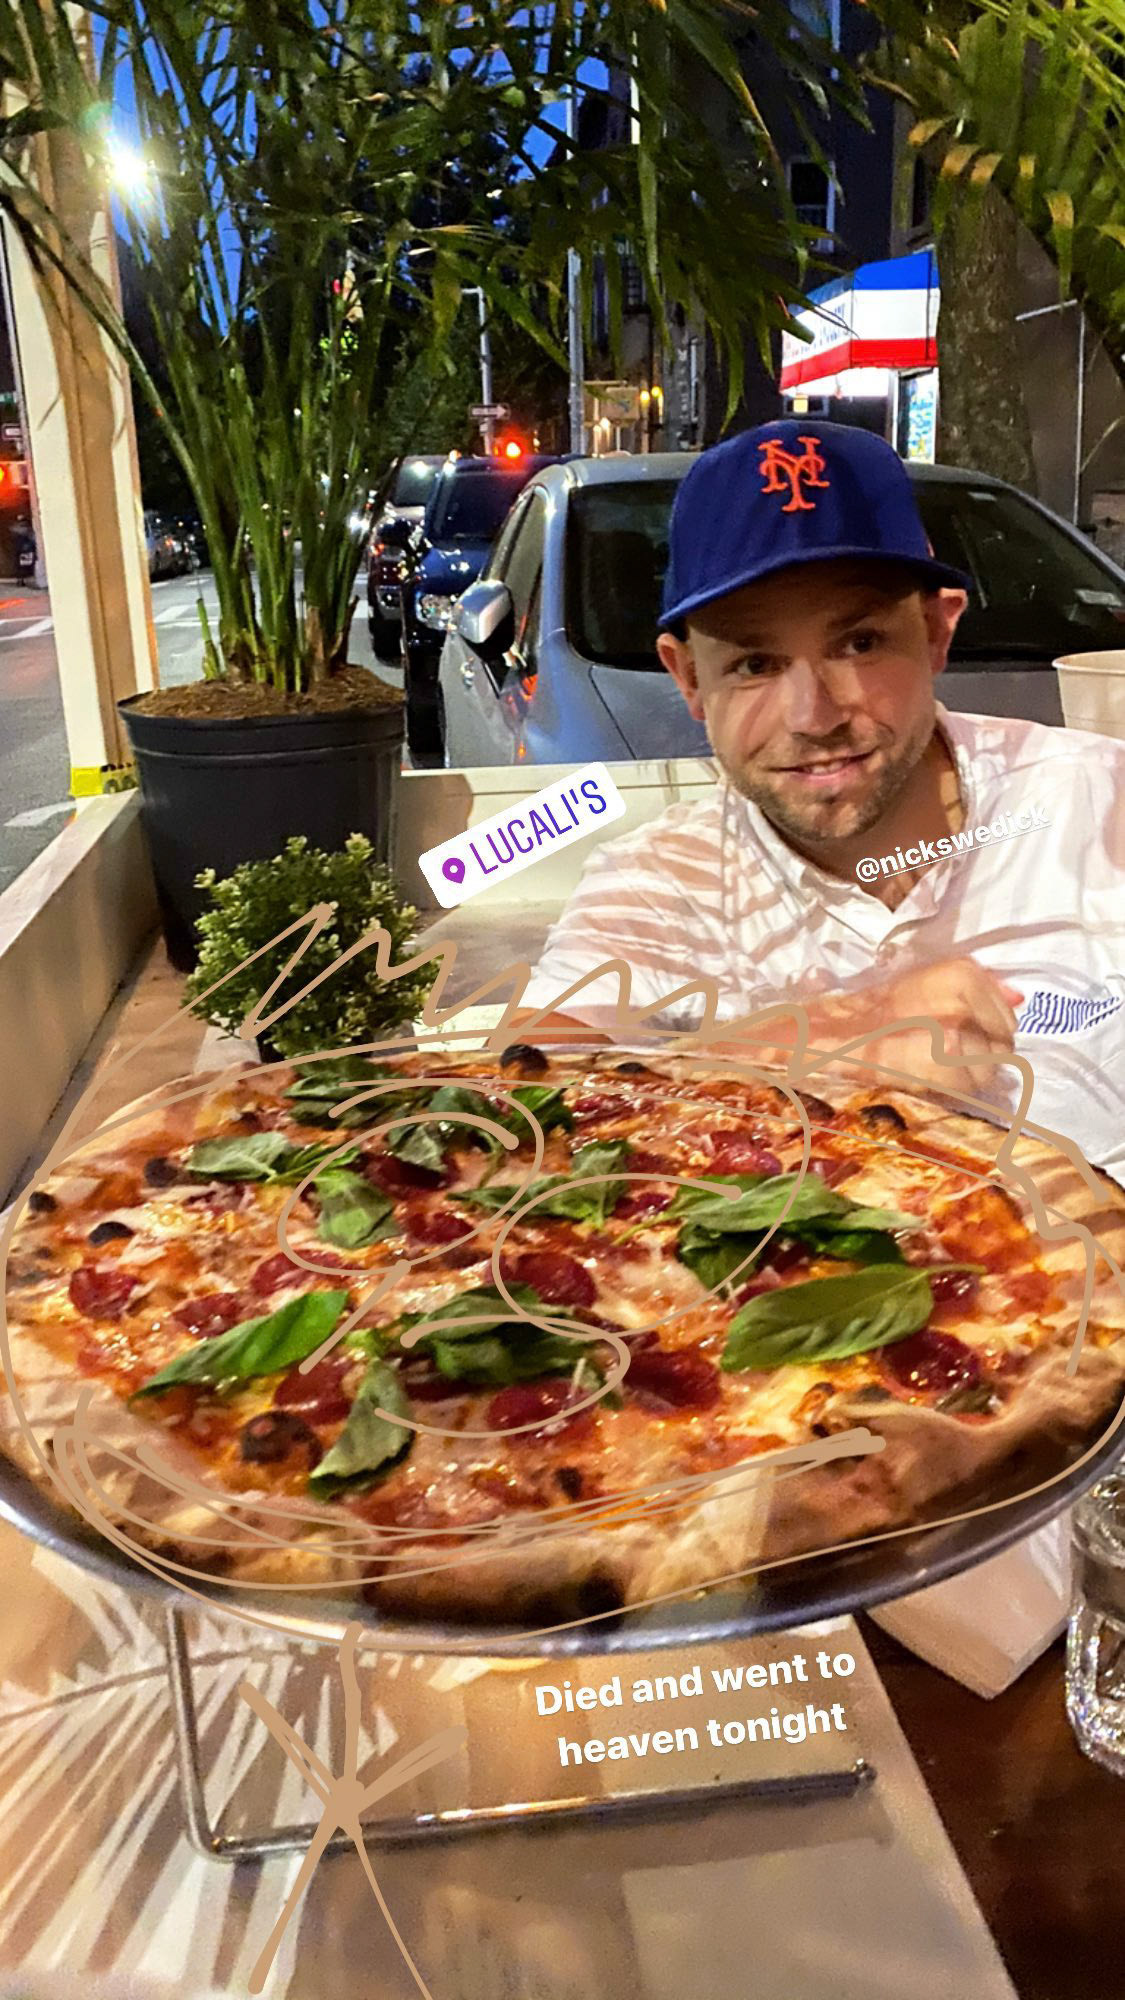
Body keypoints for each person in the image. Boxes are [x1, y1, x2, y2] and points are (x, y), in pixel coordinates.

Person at [514, 419, 1125, 1184]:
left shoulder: (1096, 802)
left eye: (859, 644)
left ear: (935, 631)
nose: (813, 717)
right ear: (689, 678)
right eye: (753, 663)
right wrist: (828, 1037)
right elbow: (520, 1104)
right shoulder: (659, 886)